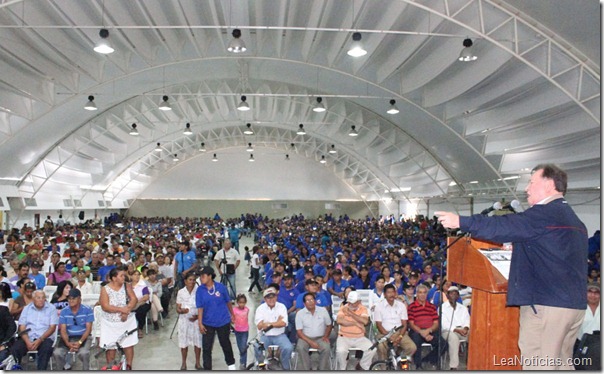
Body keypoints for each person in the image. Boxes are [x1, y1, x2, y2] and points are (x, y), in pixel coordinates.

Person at [436, 164, 588, 370]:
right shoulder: (572, 218)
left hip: (547, 307)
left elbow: (502, 226)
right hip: (572, 306)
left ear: (549, 184)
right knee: (561, 364)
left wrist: (461, 221)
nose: (527, 188)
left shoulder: (544, 214)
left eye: (532, 182)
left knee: (539, 365)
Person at [196, 266, 236, 370]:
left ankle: (231, 365)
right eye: (200, 276)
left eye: (203, 276)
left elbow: (228, 302)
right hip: (207, 323)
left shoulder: (221, 287)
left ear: (210, 276)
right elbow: (200, 308)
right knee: (207, 347)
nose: (201, 278)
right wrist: (200, 323)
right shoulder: (200, 290)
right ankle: (207, 368)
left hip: (223, 321)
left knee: (225, 343)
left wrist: (232, 314)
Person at [99, 266, 138, 370]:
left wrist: (127, 309)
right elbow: (105, 306)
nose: (123, 277)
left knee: (128, 345)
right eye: (121, 276)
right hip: (110, 324)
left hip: (126, 322)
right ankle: (111, 367)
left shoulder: (127, 286)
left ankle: (129, 366)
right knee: (110, 347)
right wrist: (122, 310)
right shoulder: (105, 289)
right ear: (114, 278)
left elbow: (134, 299)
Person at [12, 290, 59, 370]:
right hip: (28, 337)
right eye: (38, 298)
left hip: (44, 337)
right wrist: (27, 341)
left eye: (43, 298)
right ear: (33, 299)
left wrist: (40, 340)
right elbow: (22, 327)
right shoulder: (27, 308)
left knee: (46, 349)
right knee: (15, 349)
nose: (41, 300)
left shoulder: (51, 308)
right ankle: (16, 369)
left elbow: (52, 328)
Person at [52, 288, 95, 370]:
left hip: (83, 337)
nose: (71, 301)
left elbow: (88, 329)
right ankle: (64, 368)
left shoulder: (87, 310)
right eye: (69, 298)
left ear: (79, 299)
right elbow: (63, 330)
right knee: (57, 353)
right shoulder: (64, 311)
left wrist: (79, 342)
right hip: (68, 337)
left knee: (84, 353)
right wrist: (68, 343)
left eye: (73, 298)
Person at [374, 284, 417, 363]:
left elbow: (404, 324)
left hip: (400, 333)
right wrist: (389, 336)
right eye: (388, 292)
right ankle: (384, 368)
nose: (391, 294)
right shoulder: (379, 307)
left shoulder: (401, 306)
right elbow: (379, 325)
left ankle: (399, 362)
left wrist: (399, 337)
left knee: (412, 347)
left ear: (395, 293)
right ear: (384, 294)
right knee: (381, 347)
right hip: (384, 333)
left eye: (393, 292)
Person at [407, 284, 447, 370]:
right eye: (420, 293)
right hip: (417, 331)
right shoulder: (411, 307)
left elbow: (436, 323)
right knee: (416, 340)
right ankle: (418, 365)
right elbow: (411, 324)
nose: (422, 295)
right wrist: (422, 333)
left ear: (427, 294)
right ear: (416, 294)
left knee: (443, 344)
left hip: (430, 330)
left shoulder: (432, 307)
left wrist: (428, 331)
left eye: (424, 293)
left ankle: (427, 360)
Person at [253, 287, 294, 370]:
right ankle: (262, 367)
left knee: (288, 347)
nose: (271, 299)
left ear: (276, 297)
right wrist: (276, 322)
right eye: (268, 297)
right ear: (265, 299)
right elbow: (260, 326)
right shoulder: (260, 309)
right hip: (265, 336)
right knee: (257, 346)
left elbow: (283, 323)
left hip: (280, 335)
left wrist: (268, 323)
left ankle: (285, 367)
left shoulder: (282, 307)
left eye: (273, 297)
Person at [335, 290, 376, 370]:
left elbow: (364, 321)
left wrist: (350, 314)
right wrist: (356, 323)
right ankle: (342, 369)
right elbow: (339, 321)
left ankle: (362, 365)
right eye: (349, 302)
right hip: (344, 337)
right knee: (341, 351)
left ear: (359, 301)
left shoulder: (363, 309)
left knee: (372, 349)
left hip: (359, 337)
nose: (350, 304)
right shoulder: (343, 308)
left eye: (353, 302)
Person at [295, 292, 333, 370]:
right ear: (304, 303)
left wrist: (326, 336)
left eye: (312, 299)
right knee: (301, 347)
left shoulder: (323, 310)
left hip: (321, 337)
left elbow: (329, 325)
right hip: (305, 338)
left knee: (326, 347)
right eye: (308, 300)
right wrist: (310, 342)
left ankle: (321, 369)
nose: (311, 302)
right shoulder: (300, 314)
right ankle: (307, 369)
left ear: (315, 301)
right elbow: (299, 332)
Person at [439, 286, 470, 371]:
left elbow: (467, 320)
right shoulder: (442, 308)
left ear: (458, 296)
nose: (453, 295)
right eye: (451, 293)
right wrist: (457, 330)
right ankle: (453, 367)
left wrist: (466, 328)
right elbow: (444, 324)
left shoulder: (463, 308)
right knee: (453, 339)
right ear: (447, 295)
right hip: (448, 331)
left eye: (456, 294)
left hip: (462, 329)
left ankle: (471, 361)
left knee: (474, 335)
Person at [176, 272, 201, 371]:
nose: (192, 282)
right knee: (183, 342)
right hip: (184, 320)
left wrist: (198, 316)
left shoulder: (199, 291)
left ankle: (198, 363)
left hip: (196, 320)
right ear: (185, 281)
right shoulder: (181, 292)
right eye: (190, 280)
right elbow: (177, 308)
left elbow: (203, 306)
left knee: (198, 342)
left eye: (194, 280)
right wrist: (181, 311)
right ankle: (183, 363)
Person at [131, 270, 151, 338]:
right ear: (131, 276)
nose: (137, 276)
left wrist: (137, 302)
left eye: (138, 275)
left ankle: (140, 328)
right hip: (131, 303)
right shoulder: (128, 286)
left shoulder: (143, 286)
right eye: (135, 275)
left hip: (143, 303)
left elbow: (146, 297)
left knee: (141, 310)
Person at [233, 294, 250, 370]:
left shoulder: (247, 310)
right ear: (237, 302)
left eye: (243, 302)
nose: (241, 304)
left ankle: (243, 363)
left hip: (245, 331)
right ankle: (242, 361)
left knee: (243, 347)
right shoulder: (234, 310)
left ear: (245, 302)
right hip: (237, 331)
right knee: (240, 347)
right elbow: (232, 318)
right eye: (240, 302)